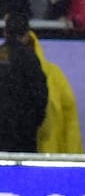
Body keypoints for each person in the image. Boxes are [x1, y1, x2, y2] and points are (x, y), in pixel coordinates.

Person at [0, 12, 48, 152]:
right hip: (23, 129)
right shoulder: (30, 58)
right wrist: (35, 120)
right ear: (27, 35)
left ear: (5, 32)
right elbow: (40, 92)